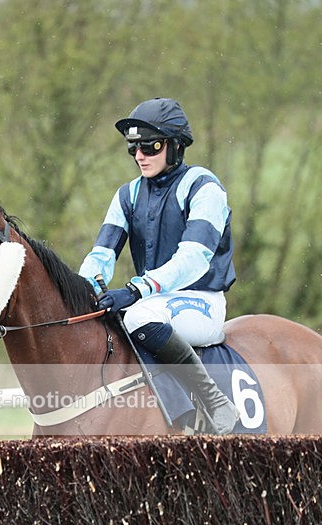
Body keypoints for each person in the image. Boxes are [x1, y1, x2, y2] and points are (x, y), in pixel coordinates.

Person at [79, 97, 240, 434]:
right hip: (155, 304)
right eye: (134, 148)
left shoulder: (203, 186)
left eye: (150, 146)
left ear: (176, 146)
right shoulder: (128, 194)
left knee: (137, 315)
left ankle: (214, 402)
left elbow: (193, 258)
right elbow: (101, 255)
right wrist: (87, 288)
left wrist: (137, 289)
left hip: (203, 303)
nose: (140, 155)